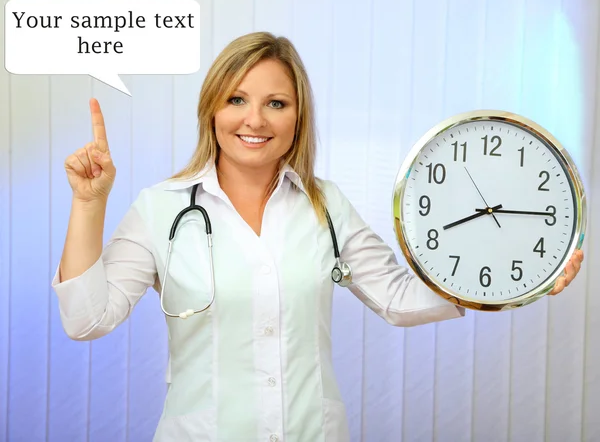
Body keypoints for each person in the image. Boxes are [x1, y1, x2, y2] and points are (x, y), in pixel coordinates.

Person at [52, 31, 584, 442]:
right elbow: (87, 318)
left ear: (297, 116)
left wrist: (519, 284)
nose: (254, 119)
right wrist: (88, 202)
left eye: (276, 103)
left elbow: (398, 298)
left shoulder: (324, 205)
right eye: (236, 99)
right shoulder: (161, 208)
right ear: (211, 108)